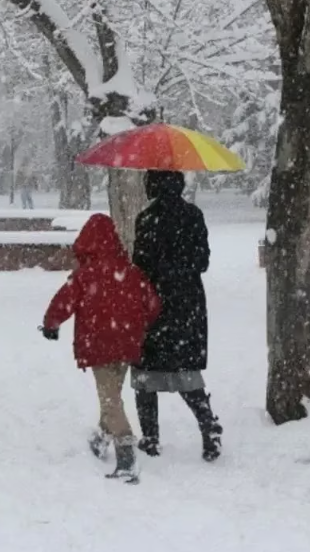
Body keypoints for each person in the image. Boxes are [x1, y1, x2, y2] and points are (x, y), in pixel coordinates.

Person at [41, 213, 160, 483]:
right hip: (127, 343)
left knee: (110, 400)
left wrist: (51, 324)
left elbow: (64, 302)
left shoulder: (85, 275)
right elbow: (152, 304)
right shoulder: (131, 272)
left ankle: (126, 455)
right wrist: (136, 324)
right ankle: (100, 438)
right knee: (112, 397)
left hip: (99, 345)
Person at [132, 170, 222, 462]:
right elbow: (203, 260)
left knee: (146, 371)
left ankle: (150, 438)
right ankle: (208, 426)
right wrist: (181, 269)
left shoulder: (146, 219)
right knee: (185, 370)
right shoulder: (193, 215)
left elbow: (140, 264)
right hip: (187, 302)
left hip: (154, 302)